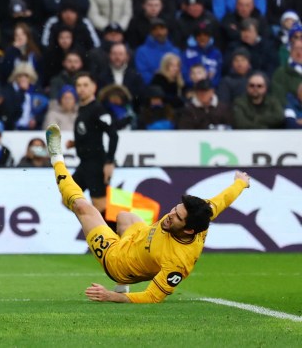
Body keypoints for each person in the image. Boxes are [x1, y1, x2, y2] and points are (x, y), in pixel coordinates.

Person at [46, 124, 250, 302]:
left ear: (189, 231)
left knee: (83, 207)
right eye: (175, 210)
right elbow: (222, 200)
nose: (171, 215)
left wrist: (112, 296)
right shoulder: (201, 214)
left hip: (118, 261)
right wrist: (241, 182)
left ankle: (56, 157)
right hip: (139, 237)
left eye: (178, 217)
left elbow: (152, 296)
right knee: (124, 216)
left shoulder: (178, 262)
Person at [66, 72, 118, 215]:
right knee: (67, 198)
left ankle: (108, 234)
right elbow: (91, 133)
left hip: (96, 164)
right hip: (84, 164)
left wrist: (109, 162)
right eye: (78, 85)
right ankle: (92, 220)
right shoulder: (83, 109)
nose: (81, 89)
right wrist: (76, 143)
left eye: (85, 85)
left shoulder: (98, 109)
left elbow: (113, 135)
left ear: (93, 87)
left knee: (101, 207)